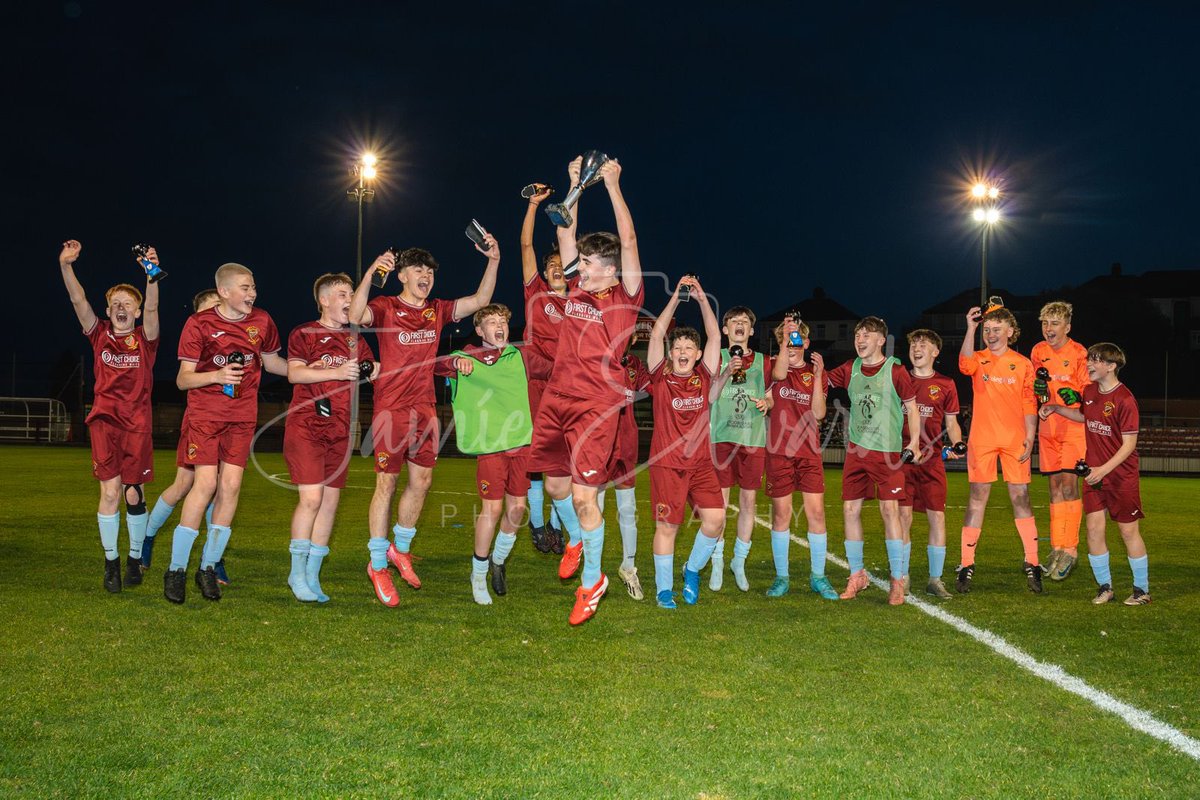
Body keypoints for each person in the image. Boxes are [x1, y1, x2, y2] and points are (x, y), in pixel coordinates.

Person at [350, 233, 500, 607]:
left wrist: (493, 260)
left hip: (426, 409)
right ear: (401, 274)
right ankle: (376, 564)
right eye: (418, 269)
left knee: (423, 481)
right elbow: (354, 315)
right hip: (391, 409)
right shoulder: (385, 305)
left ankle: (400, 550)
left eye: (430, 271)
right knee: (386, 484)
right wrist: (371, 271)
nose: (426, 276)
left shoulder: (437, 309)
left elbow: (480, 301)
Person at [527, 155, 644, 626]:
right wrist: (574, 182)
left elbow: (629, 238)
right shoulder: (574, 289)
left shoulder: (627, 295)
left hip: (597, 407)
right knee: (555, 486)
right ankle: (575, 539)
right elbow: (562, 232)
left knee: (582, 497)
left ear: (612, 271)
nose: (583, 268)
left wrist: (613, 184)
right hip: (557, 399)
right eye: (585, 262)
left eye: (593, 264)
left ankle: (592, 580)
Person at [165, 262, 288, 603]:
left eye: (253, 288)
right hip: (205, 416)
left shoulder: (262, 321)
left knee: (231, 486)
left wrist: (314, 369)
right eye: (246, 288)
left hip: (242, 417)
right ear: (224, 291)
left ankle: (207, 567)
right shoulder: (199, 323)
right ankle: (176, 569)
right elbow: (182, 379)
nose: (253, 293)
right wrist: (216, 377)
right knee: (205, 484)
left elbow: (273, 362)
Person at [58, 239, 160, 593]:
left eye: (127, 304)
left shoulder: (145, 338)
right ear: (107, 308)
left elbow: (152, 310)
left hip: (138, 425)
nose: (121, 307)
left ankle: (134, 558)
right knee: (111, 493)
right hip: (104, 422)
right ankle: (112, 563)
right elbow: (77, 301)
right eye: (115, 303)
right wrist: (67, 266)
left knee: (134, 493)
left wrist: (151, 274)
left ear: (135, 311)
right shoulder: (99, 334)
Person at [436, 304, 552, 605]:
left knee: (516, 511)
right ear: (479, 330)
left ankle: (498, 562)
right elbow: (435, 366)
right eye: (491, 322)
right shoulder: (466, 356)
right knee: (492, 509)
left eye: (503, 321)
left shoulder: (521, 356)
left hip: (522, 446)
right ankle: (478, 573)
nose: (499, 326)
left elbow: (558, 369)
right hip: (491, 450)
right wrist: (453, 365)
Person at [283, 273, 378, 602]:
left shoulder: (355, 338)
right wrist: (335, 372)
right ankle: (296, 574)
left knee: (330, 504)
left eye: (351, 292)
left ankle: (312, 575)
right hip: (307, 426)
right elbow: (294, 373)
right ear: (324, 300)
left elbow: (373, 367)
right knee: (311, 500)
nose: (349, 298)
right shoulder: (304, 332)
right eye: (342, 293)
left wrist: (379, 367)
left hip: (341, 429)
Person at [1040, 343, 1150, 605]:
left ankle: (1141, 590)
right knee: (1093, 530)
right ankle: (1105, 587)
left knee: (1127, 532)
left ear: (1111, 366)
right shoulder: (1089, 391)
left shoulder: (1125, 399)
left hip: (1120, 477)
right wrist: (1056, 408)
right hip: (1094, 475)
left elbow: (1129, 445)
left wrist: (1103, 469)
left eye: (1096, 361)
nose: (1089, 364)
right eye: (1090, 359)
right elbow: (1083, 417)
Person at [825, 316, 921, 605]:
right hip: (856, 452)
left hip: (887, 453)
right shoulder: (849, 369)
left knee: (889, 512)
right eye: (857, 335)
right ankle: (857, 574)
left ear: (881, 340)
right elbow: (820, 381)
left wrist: (914, 441)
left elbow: (912, 408)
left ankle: (897, 579)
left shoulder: (896, 370)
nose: (860, 339)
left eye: (867, 335)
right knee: (850, 510)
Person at [645, 276, 726, 609]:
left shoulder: (704, 376)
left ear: (696, 355)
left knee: (716, 520)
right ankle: (664, 590)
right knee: (668, 527)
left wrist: (703, 299)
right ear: (671, 353)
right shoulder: (659, 375)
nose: (681, 352)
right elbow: (655, 334)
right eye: (676, 348)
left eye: (687, 349)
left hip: (701, 463)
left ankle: (691, 570)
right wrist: (678, 297)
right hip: (667, 466)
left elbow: (715, 335)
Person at [957, 299, 1044, 595]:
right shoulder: (978, 357)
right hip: (981, 439)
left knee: (1021, 498)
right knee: (977, 498)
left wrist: (1030, 436)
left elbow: (1029, 402)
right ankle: (966, 564)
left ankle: (1032, 562)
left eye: (997, 329)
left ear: (1011, 331)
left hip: (1013, 439)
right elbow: (963, 364)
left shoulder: (1022, 364)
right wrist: (970, 328)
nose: (991, 334)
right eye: (988, 329)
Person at [141, 289, 220, 576]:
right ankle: (146, 538)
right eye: (212, 310)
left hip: (230, 424)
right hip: (200, 421)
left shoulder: (233, 339)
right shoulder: (197, 340)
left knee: (220, 490)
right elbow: (183, 379)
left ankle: (213, 558)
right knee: (184, 485)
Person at [765, 316, 836, 600]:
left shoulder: (817, 373)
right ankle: (782, 577)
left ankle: (818, 576)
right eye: (785, 339)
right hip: (779, 452)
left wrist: (818, 377)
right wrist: (784, 341)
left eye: (795, 339)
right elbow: (779, 377)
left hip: (808, 452)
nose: (791, 344)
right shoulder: (774, 366)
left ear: (806, 343)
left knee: (816, 514)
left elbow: (819, 413)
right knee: (781, 516)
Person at [519, 184, 570, 554]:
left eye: (560, 266)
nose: (554, 269)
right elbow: (525, 247)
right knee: (537, 461)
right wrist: (534, 207)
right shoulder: (535, 294)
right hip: (537, 385)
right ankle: (538, 527)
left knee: (565, 461)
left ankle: (555, 525)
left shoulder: (582, 301)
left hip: (570, 389)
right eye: (549, 266)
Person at [899, 329, 965, 599]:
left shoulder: (947, 384)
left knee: (937, 517)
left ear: (935, 352)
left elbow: (951, 423)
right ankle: (902, 576)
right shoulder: (898, 379)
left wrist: (959, 443)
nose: (917, 347)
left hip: (932, 462)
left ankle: (935, 579)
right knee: (903, 518)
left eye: (923, 344)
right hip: (901, 461)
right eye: (914, 343)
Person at [708, 306, 769, 592]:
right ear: (725, 329)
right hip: (722, 438)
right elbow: (709, 396)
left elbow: (773, 394)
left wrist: (767, 402)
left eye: (745, 321)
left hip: (752, 440)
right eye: (734, 321)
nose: (740, 325)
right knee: (719, 505)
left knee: (748, 504)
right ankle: (717, 560)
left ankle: (739, 561)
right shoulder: (717, 356)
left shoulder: (763, 362)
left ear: (752, 330)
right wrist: (725, 373)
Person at [1030, 301, 1089, 581]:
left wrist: (1074, 397)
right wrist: (1039, 394)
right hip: (1047, 428)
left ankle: (1071, 550)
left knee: (1069, 485)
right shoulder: (1038, 351)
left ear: (1067, 326)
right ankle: (1056, 547)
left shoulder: (1079, 353)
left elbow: (1086, 394)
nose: (1048, 329)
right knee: (1053, 488)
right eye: (1045, 323)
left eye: (1054, 324)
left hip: (1072, 429)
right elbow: (1036, 388)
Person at [597, 333, 652, 600]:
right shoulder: (595, 359)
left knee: (628, 509)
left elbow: (656, 387)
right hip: (598, 443)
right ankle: (592, 573)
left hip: (627, 442)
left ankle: (628, 568)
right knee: (594, 508)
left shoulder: (634, 364)